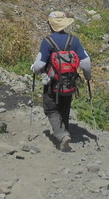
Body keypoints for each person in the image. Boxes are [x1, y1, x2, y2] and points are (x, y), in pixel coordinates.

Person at [31, 11, 92, 151]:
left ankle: (62, 135)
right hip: (70, 82)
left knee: (51, 108)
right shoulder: (73, 40)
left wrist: (34, 69)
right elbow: (86, 62)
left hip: (52, 83)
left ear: (51, 25)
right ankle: (65, 131)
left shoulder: (48, 42)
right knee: (65, 106)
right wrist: (87, 77)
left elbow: (39, 65)